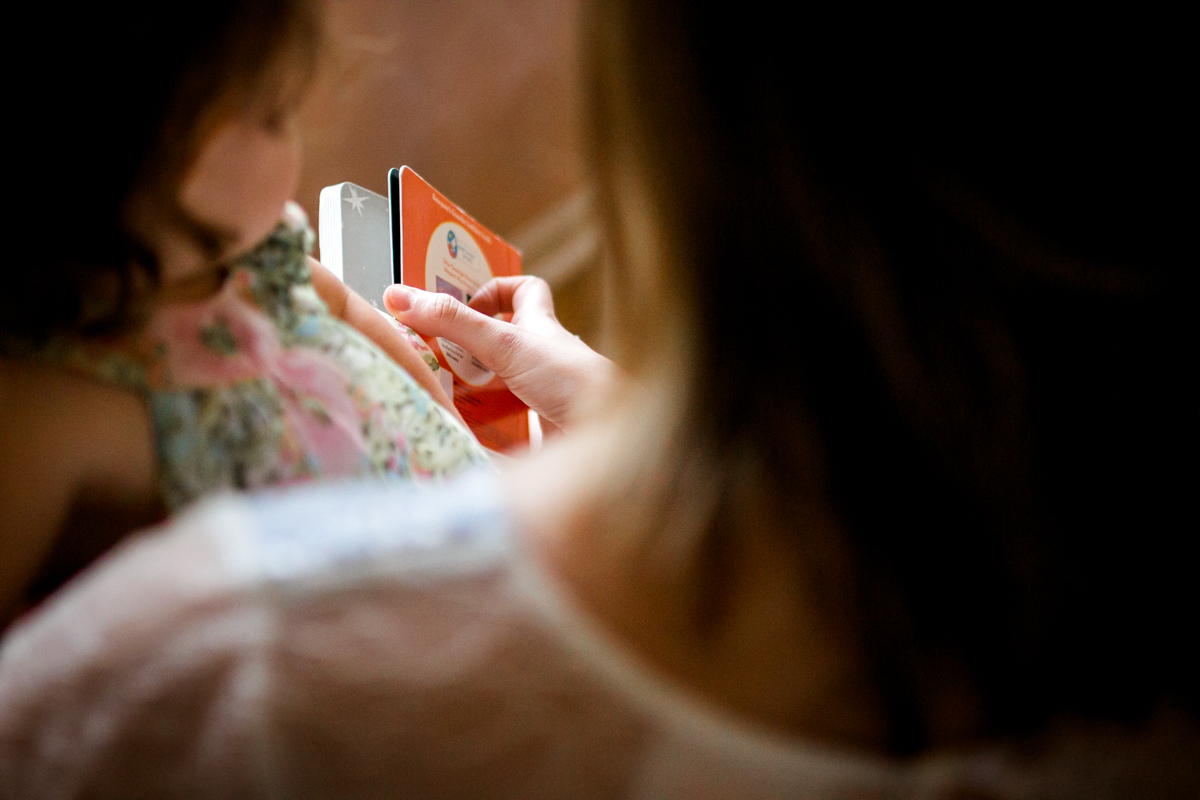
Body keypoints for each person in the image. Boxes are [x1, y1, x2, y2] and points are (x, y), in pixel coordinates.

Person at [1, 2, 1196, 797]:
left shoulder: (216, 664)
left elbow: (350, 329)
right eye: (266, 112)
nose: (293, 143)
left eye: (275, 108)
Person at [0, 1, 487, 623]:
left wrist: (441, 412)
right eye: (274, 116)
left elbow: (339, 305)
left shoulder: (250, 254)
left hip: (462, 521)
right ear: (135, 142)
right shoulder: (55, 413)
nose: (298, 140)